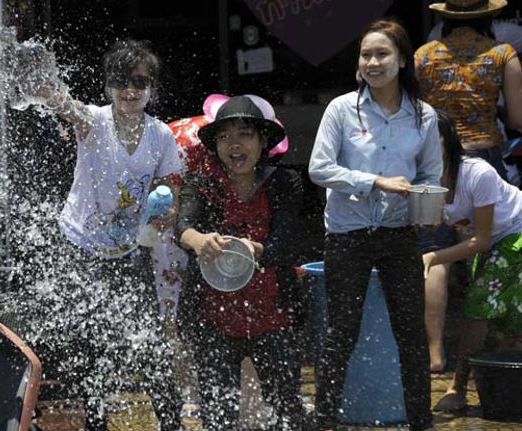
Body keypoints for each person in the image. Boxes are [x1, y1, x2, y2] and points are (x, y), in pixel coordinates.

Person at [32, 39, 183, 431]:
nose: (130, 90)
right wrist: (43, 83)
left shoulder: (160, 135)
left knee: (150, 342)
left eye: (139, 81)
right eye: (121, 81)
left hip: (129, 249)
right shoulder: (94, 122)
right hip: (80, 245)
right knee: (86, 344)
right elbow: (62, 104)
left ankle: (172, 423)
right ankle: (96, 423)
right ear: (108, 86)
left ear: (152, 87)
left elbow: (172, 188)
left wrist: (164, 215)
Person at [308, 19, 442, 431]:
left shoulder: (423, 116)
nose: (373, 62)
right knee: (341, 332)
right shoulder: (341, 109)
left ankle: (422, 421)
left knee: (411, 334)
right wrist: (374, 182)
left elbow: (431, 175)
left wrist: (425, 201)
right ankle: (325, 419)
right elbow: (318, 168)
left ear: (402, 60)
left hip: (399, 234)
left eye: (382, 54)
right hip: (348, 232)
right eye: (366, 54)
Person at [176, 94, 305, 430]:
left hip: (274, 319)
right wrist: (201, 241)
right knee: (218, 419)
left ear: (263, 141)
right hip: (214, 321)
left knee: (287, 415)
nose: (234, 145)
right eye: (224, 137)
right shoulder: (200, 183)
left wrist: (256, 250)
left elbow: (286, 241)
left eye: (245, 134)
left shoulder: (284, 183)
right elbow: (183, 228)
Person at [423, 110, 522, 413]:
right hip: (491, 242)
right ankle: (505, 391)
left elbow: (482, 240)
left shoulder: (478, 173)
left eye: (431, 138)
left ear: (448, 140)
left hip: (515, 234)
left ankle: (457, 388)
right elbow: (429, 226)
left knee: (478, 303)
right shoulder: (423, 177)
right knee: (508, 322)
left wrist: (433, 257)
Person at [415, 0, 522, 180]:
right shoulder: (503, 53)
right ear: (488, 16)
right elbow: (517, 120)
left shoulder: (422, 55)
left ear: (446, 16)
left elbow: (414, 113)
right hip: (485, 156)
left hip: (438, 157)